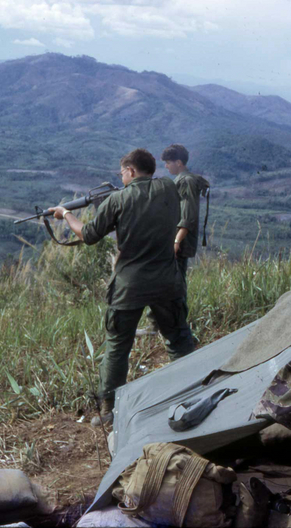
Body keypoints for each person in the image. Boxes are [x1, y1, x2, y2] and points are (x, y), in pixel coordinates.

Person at [49, 148, 195, 426]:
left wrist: (66, 214)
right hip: (168, 281)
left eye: (123, 173)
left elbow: (90, 235)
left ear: (129, 171)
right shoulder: (167, 187)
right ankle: (191, 393)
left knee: (118, 345)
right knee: (178, 338)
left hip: (130, 286)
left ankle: (108, 411)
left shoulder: (118, 199)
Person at [160, 144, 209, 292]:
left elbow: (188, 216)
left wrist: (176, 241)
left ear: (179, 163)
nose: (166, 166)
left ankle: (178, 315)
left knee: (176, 287)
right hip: (176, 241)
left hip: (179, 244)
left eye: (168, 162)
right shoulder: (181, 180)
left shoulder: (186, 181)